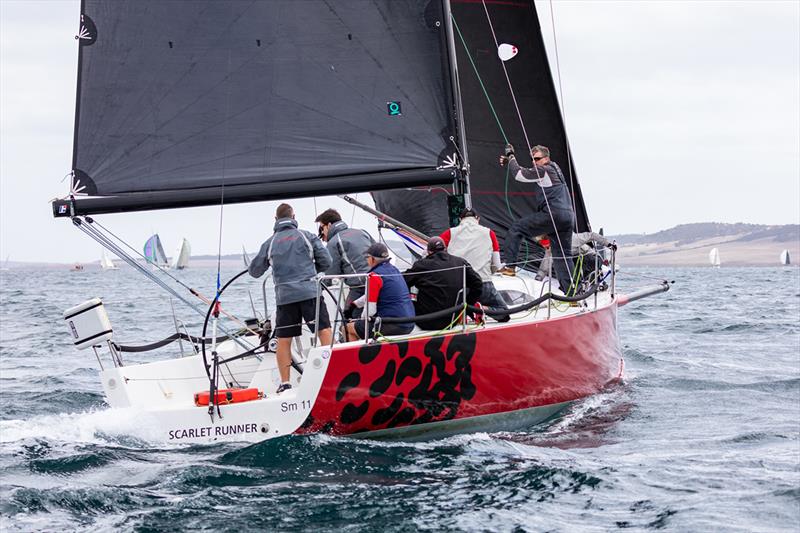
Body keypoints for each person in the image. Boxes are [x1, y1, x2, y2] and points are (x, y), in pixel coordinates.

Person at [249, 203, 333, 394]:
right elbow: (327, 261)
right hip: (310, 293)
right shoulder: (307, 236)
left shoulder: (269, 243)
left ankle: (285, 383)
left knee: (284, 339)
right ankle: (330, 373)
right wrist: (310, 272)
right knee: (323, 330)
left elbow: (254, 271)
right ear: (294, 216)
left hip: (285, 298)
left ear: (275, 220)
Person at [499, 144, 576, 294]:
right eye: (533, 159)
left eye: (537, 159)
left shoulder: (544, 170)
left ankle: (510, 267)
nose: (534, 162)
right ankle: (571, 293)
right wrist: (511, 163)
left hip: (554, 214)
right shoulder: (556, 169)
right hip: (568, 217)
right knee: (563, 256)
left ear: (546, 158)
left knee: (516, 229)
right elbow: (525, 171)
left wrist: (511, 156)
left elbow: (519, 175)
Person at [403, 237, 483, 331]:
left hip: (426, 321)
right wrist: (468, 304)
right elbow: (477, 283)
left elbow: (402, 283)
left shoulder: (422, 265)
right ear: (445, 249)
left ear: (428, 251)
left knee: (407, 301)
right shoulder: (460, 262)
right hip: (452, 320)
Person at [440, 208, 506, 311]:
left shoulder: (449, 233)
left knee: (451, 310)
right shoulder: (489, 233)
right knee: (503, 311)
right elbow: (497, 265)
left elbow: (429, 253)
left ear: (460, 219)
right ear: (478, 219)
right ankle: (481, 309)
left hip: (458, 285)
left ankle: (466, 313)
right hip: (483, 283)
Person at [345, 243, 415, 341]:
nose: (366, 259)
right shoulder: (394, 270)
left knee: (347, 328)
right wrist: (354, 305)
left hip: (393, 325)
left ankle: (354, 356)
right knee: (359, 326)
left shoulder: (374, 276)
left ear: (373, 259)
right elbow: (372, 294)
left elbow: (370, 311)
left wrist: (359, 321)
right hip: (409, 323)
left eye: (367, 257)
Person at [314, 208, 375, 319]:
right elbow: (377, 251)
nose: (321, 232)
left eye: (321, 228)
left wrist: (318, 287)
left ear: (328, 225)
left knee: (347, 319)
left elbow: (331, 274)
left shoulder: (334, 242)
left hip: (360, 287)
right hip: (377, 281)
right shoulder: (362, 232)